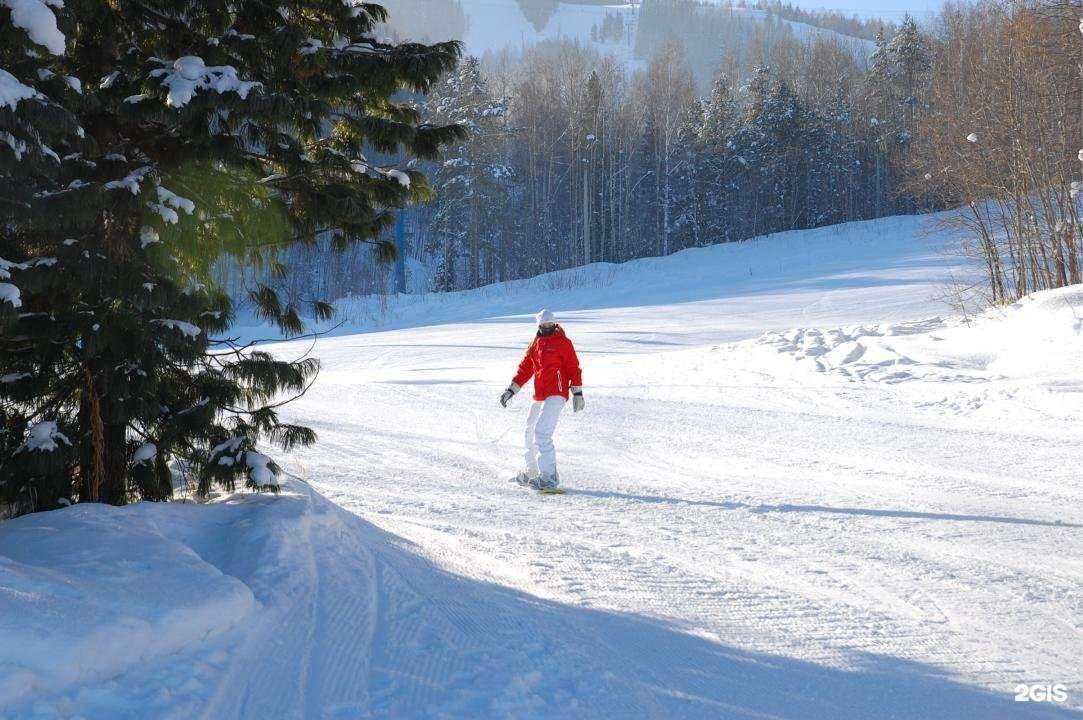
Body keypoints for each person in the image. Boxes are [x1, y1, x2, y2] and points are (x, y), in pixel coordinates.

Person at [499, 309, 584, 489]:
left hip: (557, 392)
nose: (547, 327)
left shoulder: (563, 343)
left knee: (542, 432)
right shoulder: (535, 345)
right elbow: (525, 369)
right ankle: (533, 472)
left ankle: (549, 477)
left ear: (554, 324)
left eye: (549, 324)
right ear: (538, 326)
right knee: (529, 430)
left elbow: (573, 367)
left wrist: (577, 392)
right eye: (543, 325)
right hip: (540, 393)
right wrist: (511, 390)